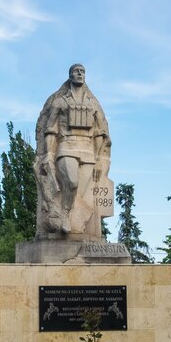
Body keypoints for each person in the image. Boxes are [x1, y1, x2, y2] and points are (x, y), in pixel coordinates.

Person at [35, 64, 112, 240]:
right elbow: (50, 130)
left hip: (88, 151)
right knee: (72, 182)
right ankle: (64, 215)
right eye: (76, 71)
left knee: (80, 194)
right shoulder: (59, 102)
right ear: (70, 75)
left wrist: (99, 159)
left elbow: (100, 133)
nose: (80, 73)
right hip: (66, 147)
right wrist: (48, 154)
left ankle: (74, 221)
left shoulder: (92, 103)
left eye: (82, 71)